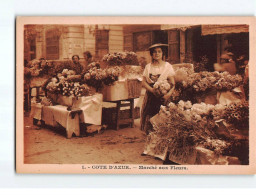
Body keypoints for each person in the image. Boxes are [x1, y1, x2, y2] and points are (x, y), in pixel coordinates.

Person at [140, 43, 175, 134]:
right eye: (154, 52)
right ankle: (151, 136)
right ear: (152, 54)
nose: (157, 54)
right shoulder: (148, 67)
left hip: (164, 96)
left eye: (159, 52)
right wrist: (152, 90)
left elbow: (173, 83)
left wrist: (168, 95)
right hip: (151, 96)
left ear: (163, 53)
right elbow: (143, 82)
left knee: (163, 115)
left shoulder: (167, 66)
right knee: (151, 115)